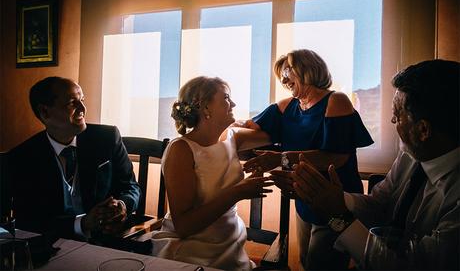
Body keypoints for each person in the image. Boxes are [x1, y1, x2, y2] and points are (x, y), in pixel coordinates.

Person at [292, 59, 460, 270]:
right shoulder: (410, 157)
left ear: (423, 130)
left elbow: (413, 265)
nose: (391, 121)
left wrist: (339, 216)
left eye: (397, 116)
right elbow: (381, 203)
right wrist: (337, 198)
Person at [239, 49, 374, 270]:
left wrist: (280, 160)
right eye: (281, 75)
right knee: (305, 261)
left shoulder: (336, 101)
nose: (283, 80)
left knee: (321, 264)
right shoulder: (286, 106)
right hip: (304, 197)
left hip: (336, 200)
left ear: (308, 69)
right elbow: (251, 128)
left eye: (287, 72)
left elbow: (335, 157)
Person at [150, 76, 274, 270]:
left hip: (231, 242)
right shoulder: (181, 150)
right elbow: (184, 226)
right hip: (192, 249)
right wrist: (239, 192)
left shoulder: (233, 137)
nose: (233, 103)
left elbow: (273, 134)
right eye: (226, 98)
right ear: (205, 107)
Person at [8, 77, 141, 241]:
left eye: (82, 100)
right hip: (53, 245)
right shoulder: (22, 158)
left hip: (108, 239)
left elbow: (131, 187)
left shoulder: (107, 138)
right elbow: (28, 221)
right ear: (45, 112)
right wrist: (82, 223)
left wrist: (122, 206)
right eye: (72, 103)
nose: (83, 108)